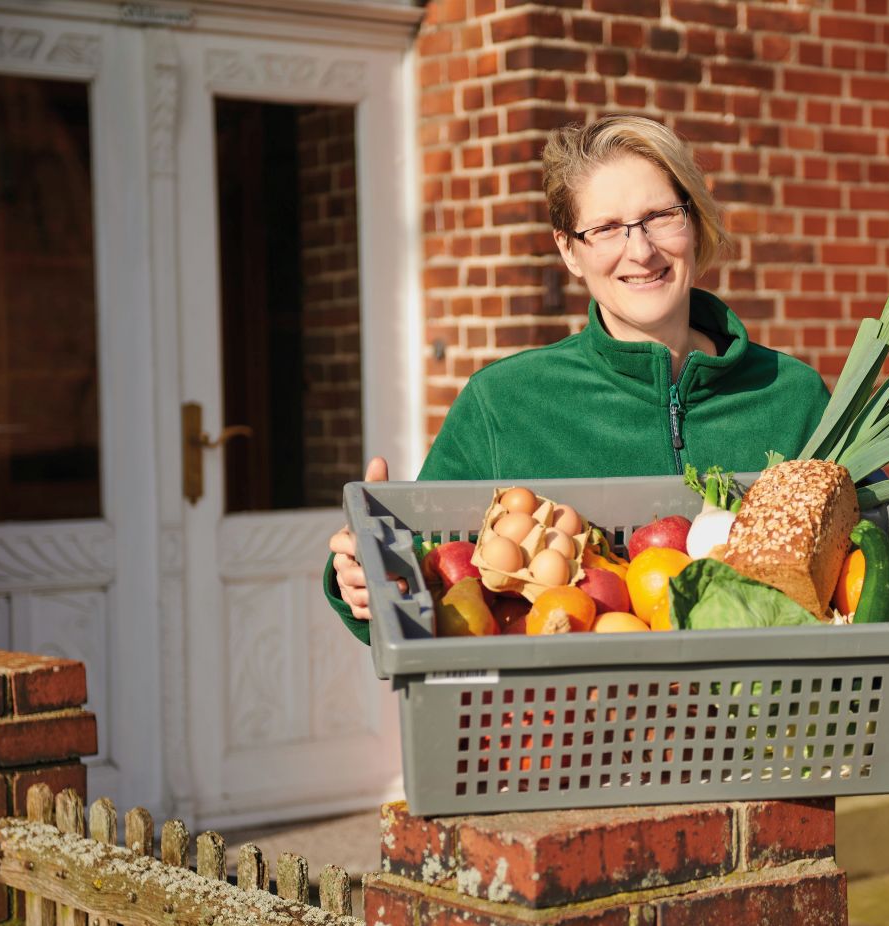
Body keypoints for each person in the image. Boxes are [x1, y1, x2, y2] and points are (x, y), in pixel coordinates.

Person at [325, 114, 830, 644]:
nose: (640, 251)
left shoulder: (791, 396)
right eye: (606, 228)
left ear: (694, 221)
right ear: (569, 249)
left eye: (660, 215)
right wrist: (364, 581)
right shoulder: (503, 403)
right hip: (569, 720)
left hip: (766, 716)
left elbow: (876, 570)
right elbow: (429, 587)